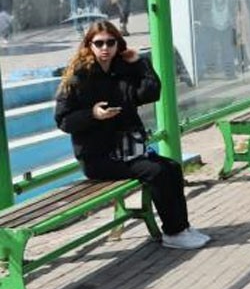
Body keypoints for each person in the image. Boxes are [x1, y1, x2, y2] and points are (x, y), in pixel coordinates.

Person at [54, 21, 210, 250]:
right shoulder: (78, 77)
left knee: (172, 168)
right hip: (99, 158)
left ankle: (181, 228)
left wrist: (140, 62)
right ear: (89, 45)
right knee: (156, 172)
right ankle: (173, 232)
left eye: (110, 42)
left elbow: (150, 93)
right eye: (99, 43)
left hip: (129, 150)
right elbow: (63, 120)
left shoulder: (122, 72)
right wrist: (93, 114)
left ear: (118, 44)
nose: (105, 48)